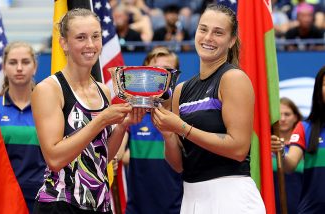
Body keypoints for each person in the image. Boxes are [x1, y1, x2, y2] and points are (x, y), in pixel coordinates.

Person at [151, 4, 266, 213]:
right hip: (191, 197)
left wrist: (183, 128)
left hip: (231, 197)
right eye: (203, 29)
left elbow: (239, 148)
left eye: (218, 32)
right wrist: (168, 134)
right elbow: (179, 165)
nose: (208, 37)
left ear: (232, 41)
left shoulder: (233, 78)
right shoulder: (181, 90)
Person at [31, 8, 145, 213]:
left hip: (100, 203)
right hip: (60, 203)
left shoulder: (102, 89)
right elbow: (55, 159)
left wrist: (121, 127)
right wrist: (100, 121)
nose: (90, 45)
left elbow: (100, 158)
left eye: (96, 36)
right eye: (81, 38)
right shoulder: (48, 89)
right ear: (63, 43)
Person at [121, 47, 183, 214]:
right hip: (137, 209)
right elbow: (114, 156)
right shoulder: (131, 116)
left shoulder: (183, 117)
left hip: (177, 209)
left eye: (167, 71)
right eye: (154, 71)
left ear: (175, 77)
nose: (160, 77)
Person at [0, 41, 46, 213]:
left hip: (44, 197)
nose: (19, 68)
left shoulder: (48, 107)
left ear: (35, 67)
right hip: (3, 197)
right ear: (4, 67)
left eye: (25, 62)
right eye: (13, 62)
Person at [271, 66, 325, 213]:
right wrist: (280, 151)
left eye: (287, 114)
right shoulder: (305, 127)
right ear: (319, 91)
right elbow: (289, 167)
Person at [272, 97, 303, 214]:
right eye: (279, 115)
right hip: (271, 206)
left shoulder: (307, 143)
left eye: (287, 114)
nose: (283, 119)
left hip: (302, 206)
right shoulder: (264, 145)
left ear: (295, 117)